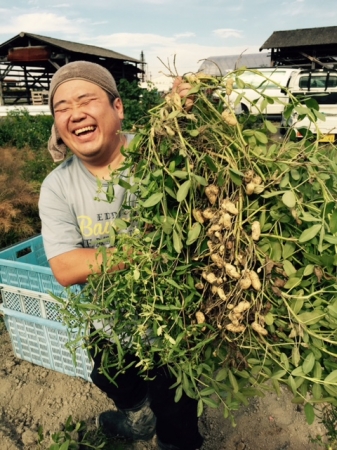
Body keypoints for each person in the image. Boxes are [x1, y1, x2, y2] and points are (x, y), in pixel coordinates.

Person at [38, 61, 204, 450]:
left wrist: (185, 113)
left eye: (86, 100)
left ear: (118, 108)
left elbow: (198, 178)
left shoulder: (156, 154)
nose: (74, 113)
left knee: (177, 412)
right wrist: (147, 248)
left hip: (170, 327)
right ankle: (138, 417)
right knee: (109, 375)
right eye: (61, 107)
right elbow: (65, 267)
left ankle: (170, 438)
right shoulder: (58, 185)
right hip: (105, 321)